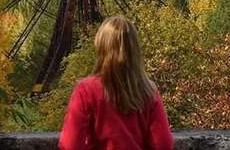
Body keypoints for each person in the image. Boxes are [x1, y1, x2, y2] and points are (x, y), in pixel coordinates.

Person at [58, 16, 174, 150]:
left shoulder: (86, 91)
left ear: (101, 47)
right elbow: (163, 144)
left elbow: (70, 145)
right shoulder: (149, 92)